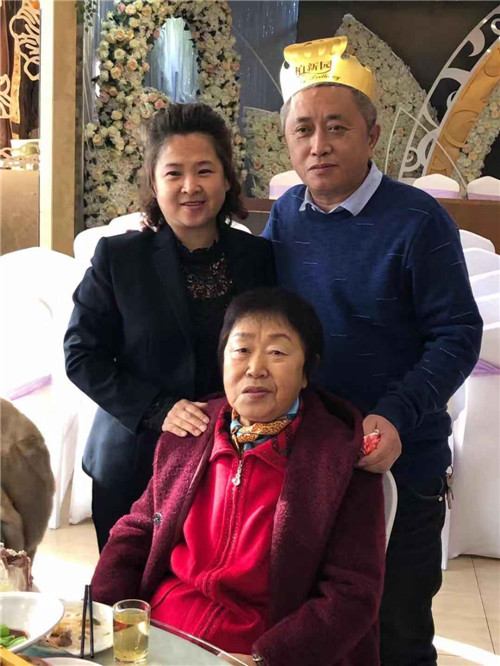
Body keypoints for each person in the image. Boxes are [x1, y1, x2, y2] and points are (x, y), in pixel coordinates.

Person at [262, 36, 482, 666]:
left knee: (397, 631)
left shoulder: (418, 220)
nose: (319, 144)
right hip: (307, 457)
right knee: (319, 628)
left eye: (337, 127)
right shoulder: (286, 215)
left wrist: (395, 414)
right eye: (303, 129)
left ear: (373, 135)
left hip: (399, 462)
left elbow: (458, 333)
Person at [92, 286, 386, 666]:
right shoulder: (190, 432)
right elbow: (136, 531)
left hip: (256, 650)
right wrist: (102, 616)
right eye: (242, 349)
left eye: (277, 352)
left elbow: (352, 593)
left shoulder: (341, 458)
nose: (255, 368)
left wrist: (266, 660)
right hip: (158, 637)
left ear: (306, 372)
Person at [64, 103, 275, 552]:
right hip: (136, 460)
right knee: (129, 588)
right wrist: (158, 409)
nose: (190, 186)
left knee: (212, 586)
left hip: (229, 463)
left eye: (204, 170)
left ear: (226, 178)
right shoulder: (119, 258)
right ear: (154, 183)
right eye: (174, 173)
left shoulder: (258, 258)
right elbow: (81, 356)